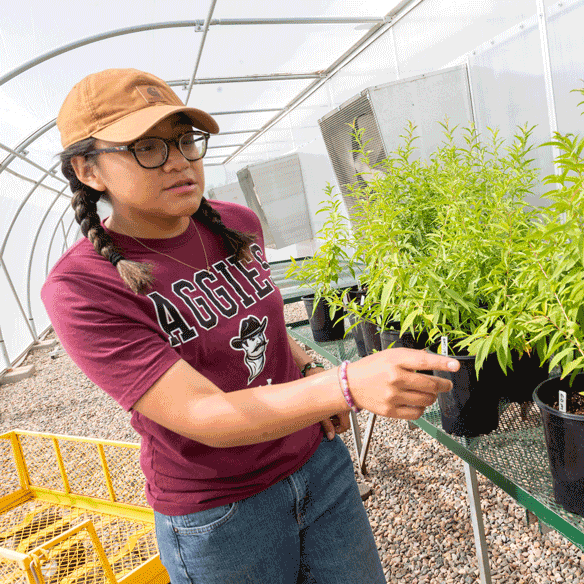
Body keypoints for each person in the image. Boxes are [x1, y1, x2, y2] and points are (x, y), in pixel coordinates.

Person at [42, 68, 460, 584]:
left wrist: (309, 368)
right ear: (88, 169)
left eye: (184, 140)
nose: (178, 161)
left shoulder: (236, 223)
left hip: (318, 466)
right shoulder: (83, 286)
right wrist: (345, 386)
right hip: (221, 515)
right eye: (147, 147)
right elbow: (201, 412)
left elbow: (260, 319)